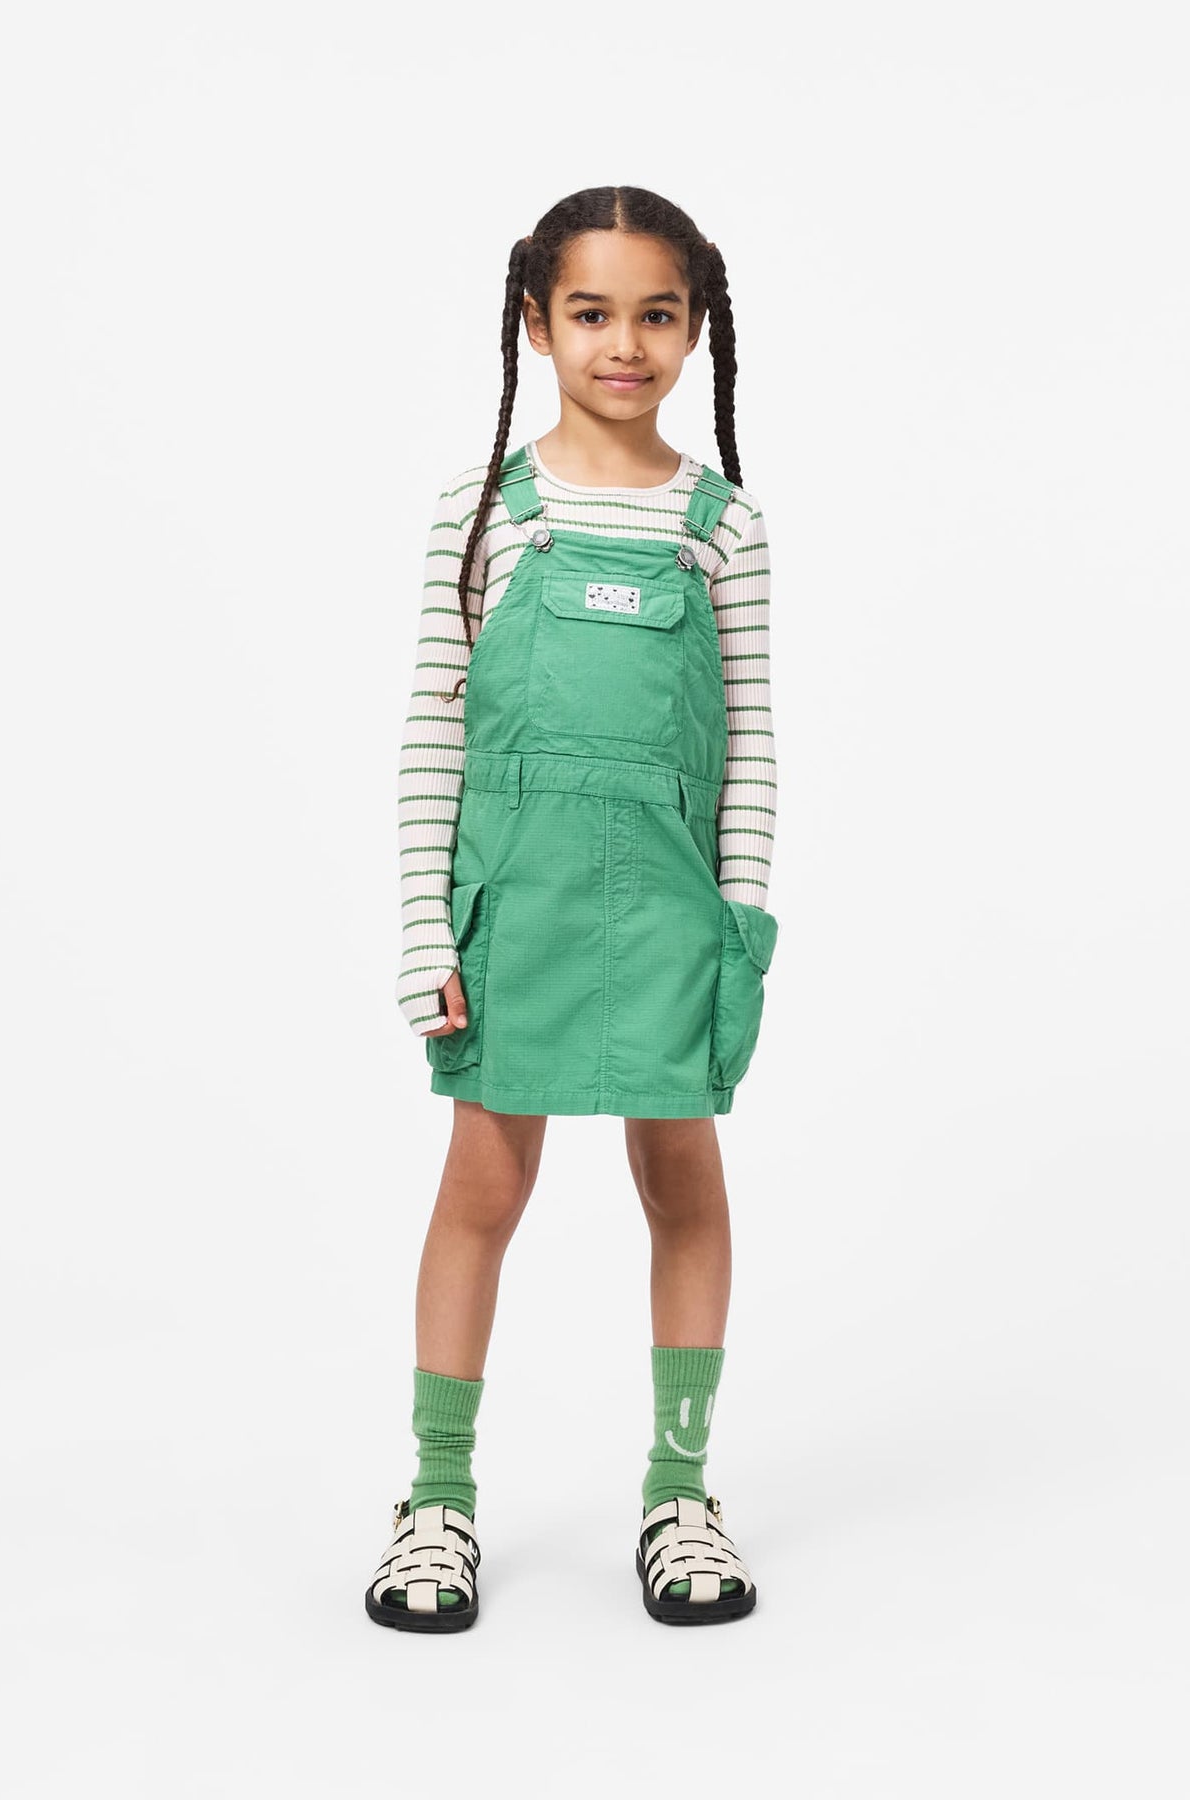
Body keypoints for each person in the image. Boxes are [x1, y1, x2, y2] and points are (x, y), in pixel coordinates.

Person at [367, 186, 780, 1632]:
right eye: (591, 313)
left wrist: (740, 933)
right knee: (482, 1188)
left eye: (657, 314)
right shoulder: (483, 512)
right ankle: (436, 1498)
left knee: (682, 1183)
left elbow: (750, 745)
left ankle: (680, 1490)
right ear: (534, 324)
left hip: (670, 912)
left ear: (696, 327)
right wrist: (424, 928)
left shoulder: (724, 529)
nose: (625, 344)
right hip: (516, 903)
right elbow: (435, 726)